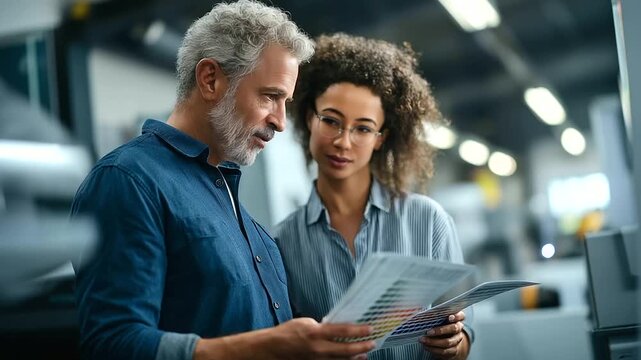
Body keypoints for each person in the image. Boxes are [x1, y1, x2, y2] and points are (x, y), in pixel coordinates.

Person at [70, 2, 376, 360]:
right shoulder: (129, 182)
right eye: (270, 96)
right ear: (210, 79)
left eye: (285, 103)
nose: (280, 121)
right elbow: (112, 344)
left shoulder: (247, 222)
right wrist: (269, 347)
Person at [274, 33, 474, 360]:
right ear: (310, 118)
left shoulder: (428, 221)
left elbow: (464, 338)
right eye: (331, 121)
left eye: (363, 128)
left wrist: (454, 342)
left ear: (381, 138)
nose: (343, 141)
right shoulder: (281, 242)